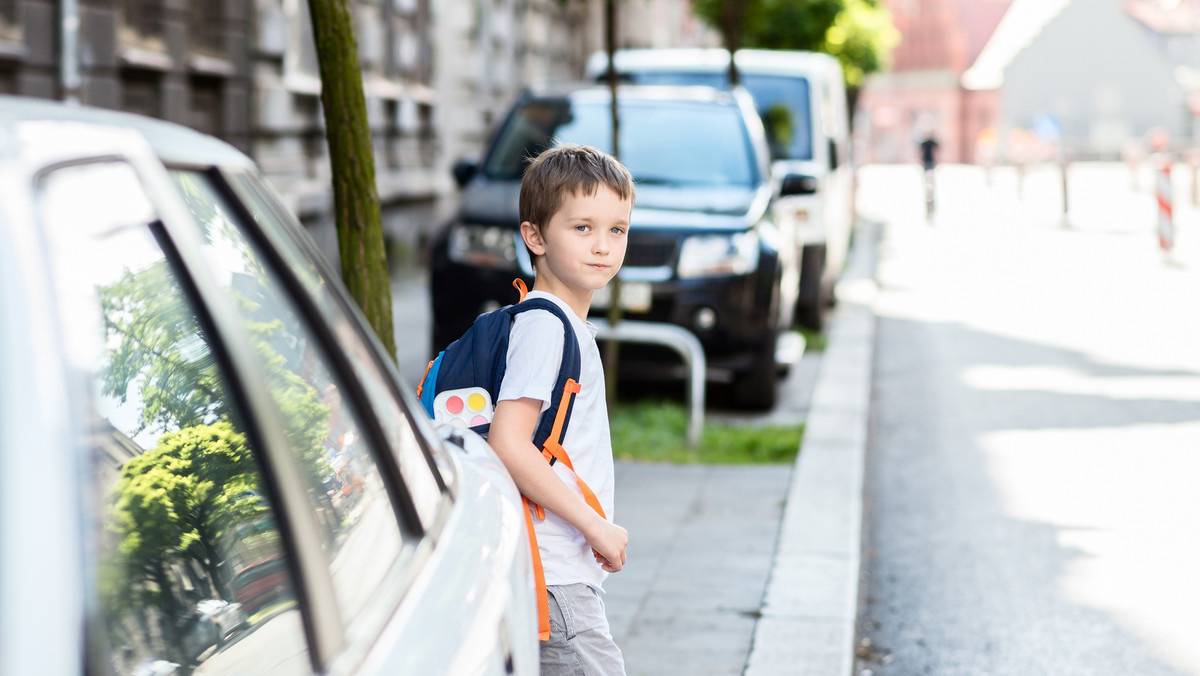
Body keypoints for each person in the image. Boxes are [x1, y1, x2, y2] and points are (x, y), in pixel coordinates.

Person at [488, 143, 634, 675]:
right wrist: (595, 527)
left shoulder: (558, 324)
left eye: (616, 229)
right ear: (535, 237)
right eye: (582, 228)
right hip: (554, 578)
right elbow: (509, 444)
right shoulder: (545, 326)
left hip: (556, 575)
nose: (603, 246)